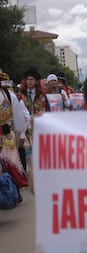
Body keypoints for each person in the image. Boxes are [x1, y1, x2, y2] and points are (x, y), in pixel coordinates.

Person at [0, 68, 29, 202]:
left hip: (6, 135)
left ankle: (12, 191)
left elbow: (18, 117)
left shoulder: (9, 95)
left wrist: (20, 133)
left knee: (10, 165)